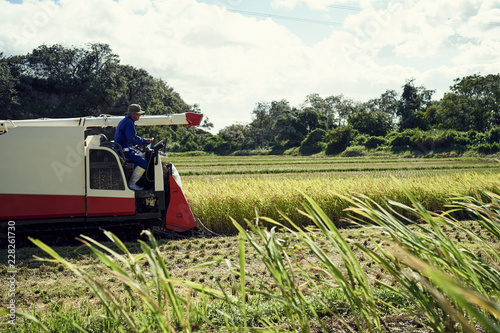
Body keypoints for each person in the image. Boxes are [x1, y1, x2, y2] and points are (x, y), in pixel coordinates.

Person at [114, 104, 152, 190]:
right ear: (134, 114)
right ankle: (132, 184)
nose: (140, 116)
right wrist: (145, 141)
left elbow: (130, 138)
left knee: (142, 157)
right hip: (124, 151)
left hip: (123, 149)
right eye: (139, 114)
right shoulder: (129, 122)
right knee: (144, 163)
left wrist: (142, 141)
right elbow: (132, 138)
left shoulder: (126, 121)